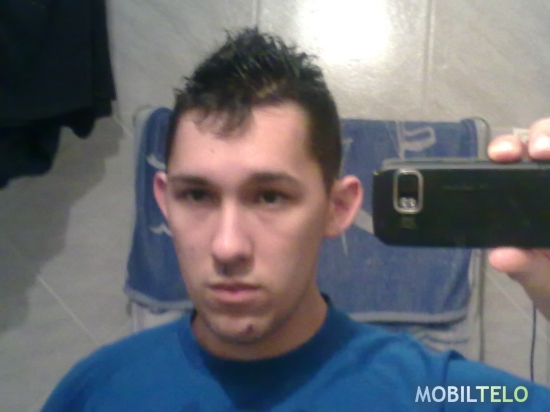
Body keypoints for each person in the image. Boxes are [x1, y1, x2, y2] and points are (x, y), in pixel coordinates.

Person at [41, 28, 550, 411]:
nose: (227, 246)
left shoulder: (434, 392)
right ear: (164, 203)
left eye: (269, 197)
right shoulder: (97, 392)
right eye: (196, 195)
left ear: (338, 208)